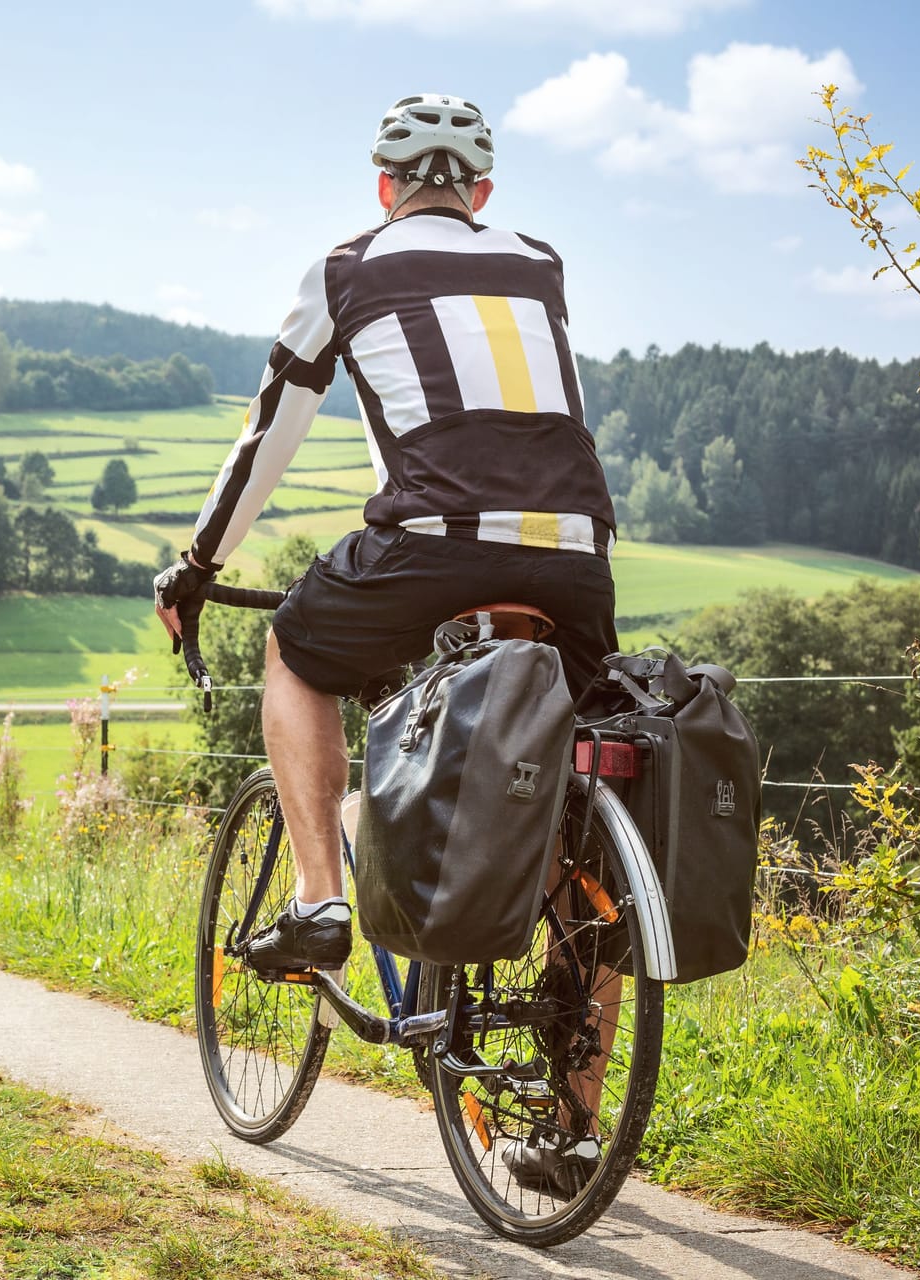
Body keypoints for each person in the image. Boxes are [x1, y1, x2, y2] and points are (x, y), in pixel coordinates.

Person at [154, 93, 618, 1003]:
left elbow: (266, 438)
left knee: (297, 646)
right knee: (572, 767)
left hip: (432, 547)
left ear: (383, 187)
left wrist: (199, 565)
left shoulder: (347, 270)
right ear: (482, 194)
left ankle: (320, 899)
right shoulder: (541, 264)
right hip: (577, 554)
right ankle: (574, 1125)